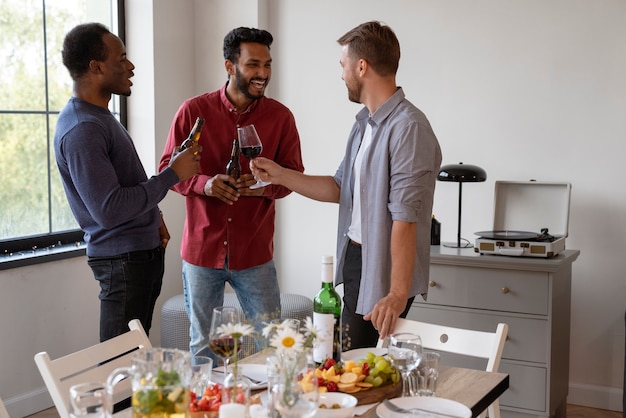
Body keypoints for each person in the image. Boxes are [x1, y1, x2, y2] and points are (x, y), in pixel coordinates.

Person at [252, 21, 442, 348]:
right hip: (356, 258)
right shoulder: (364, 125)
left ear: (361, 66)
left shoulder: (409, 128)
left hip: (384, 267)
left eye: (343, 66)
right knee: (350, 361)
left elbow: (405, 219)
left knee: (359, 366)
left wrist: (397, 293)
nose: (341, 75)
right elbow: (340, 189)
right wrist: (280, 174)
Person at [158, 27, 304, 360]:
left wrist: (263, 186)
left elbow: (295, 177)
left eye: (267, 65)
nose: (263, 74)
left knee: (271, 344)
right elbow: (168, 170)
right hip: (201, 252)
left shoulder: (281, 118)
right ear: (229, 66)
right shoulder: (192, 111)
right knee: (202, 347)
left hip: (255, 254)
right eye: (253, 65)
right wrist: (204, 184)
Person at [54, 22, 201, 342]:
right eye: (121, 58)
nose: (131, 66)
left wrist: (154, 217)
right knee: (118, 366)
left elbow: (123, 182)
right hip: (123, 263)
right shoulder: (83, 128)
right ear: (96, 67)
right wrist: (172, 174)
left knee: (134, 360)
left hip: (138, 256)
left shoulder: (100, 117)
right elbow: (108, 209)